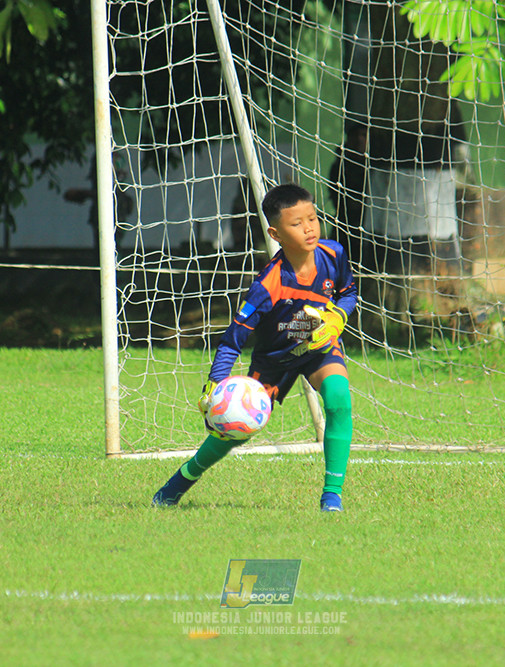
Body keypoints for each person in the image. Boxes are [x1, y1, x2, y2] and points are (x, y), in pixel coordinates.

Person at [152, 183, 358, 512]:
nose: (308, 228)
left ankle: (332, 496)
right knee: (236, 429)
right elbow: (233, 338)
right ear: (275, 233)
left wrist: (336, 319)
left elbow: (349, 293)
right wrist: (215, 383)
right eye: (296, 223)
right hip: (274, 359)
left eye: (312, 218)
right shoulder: (268, 285)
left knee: (338, 399)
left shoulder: (334, 254)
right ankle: (178, 483)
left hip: (318, 348)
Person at [326, 123, 369, 269]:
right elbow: (335, 193)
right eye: (355, 136)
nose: (359, 140)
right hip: (346, 222)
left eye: (363, 136)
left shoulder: (376, 165)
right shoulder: (340, 166)